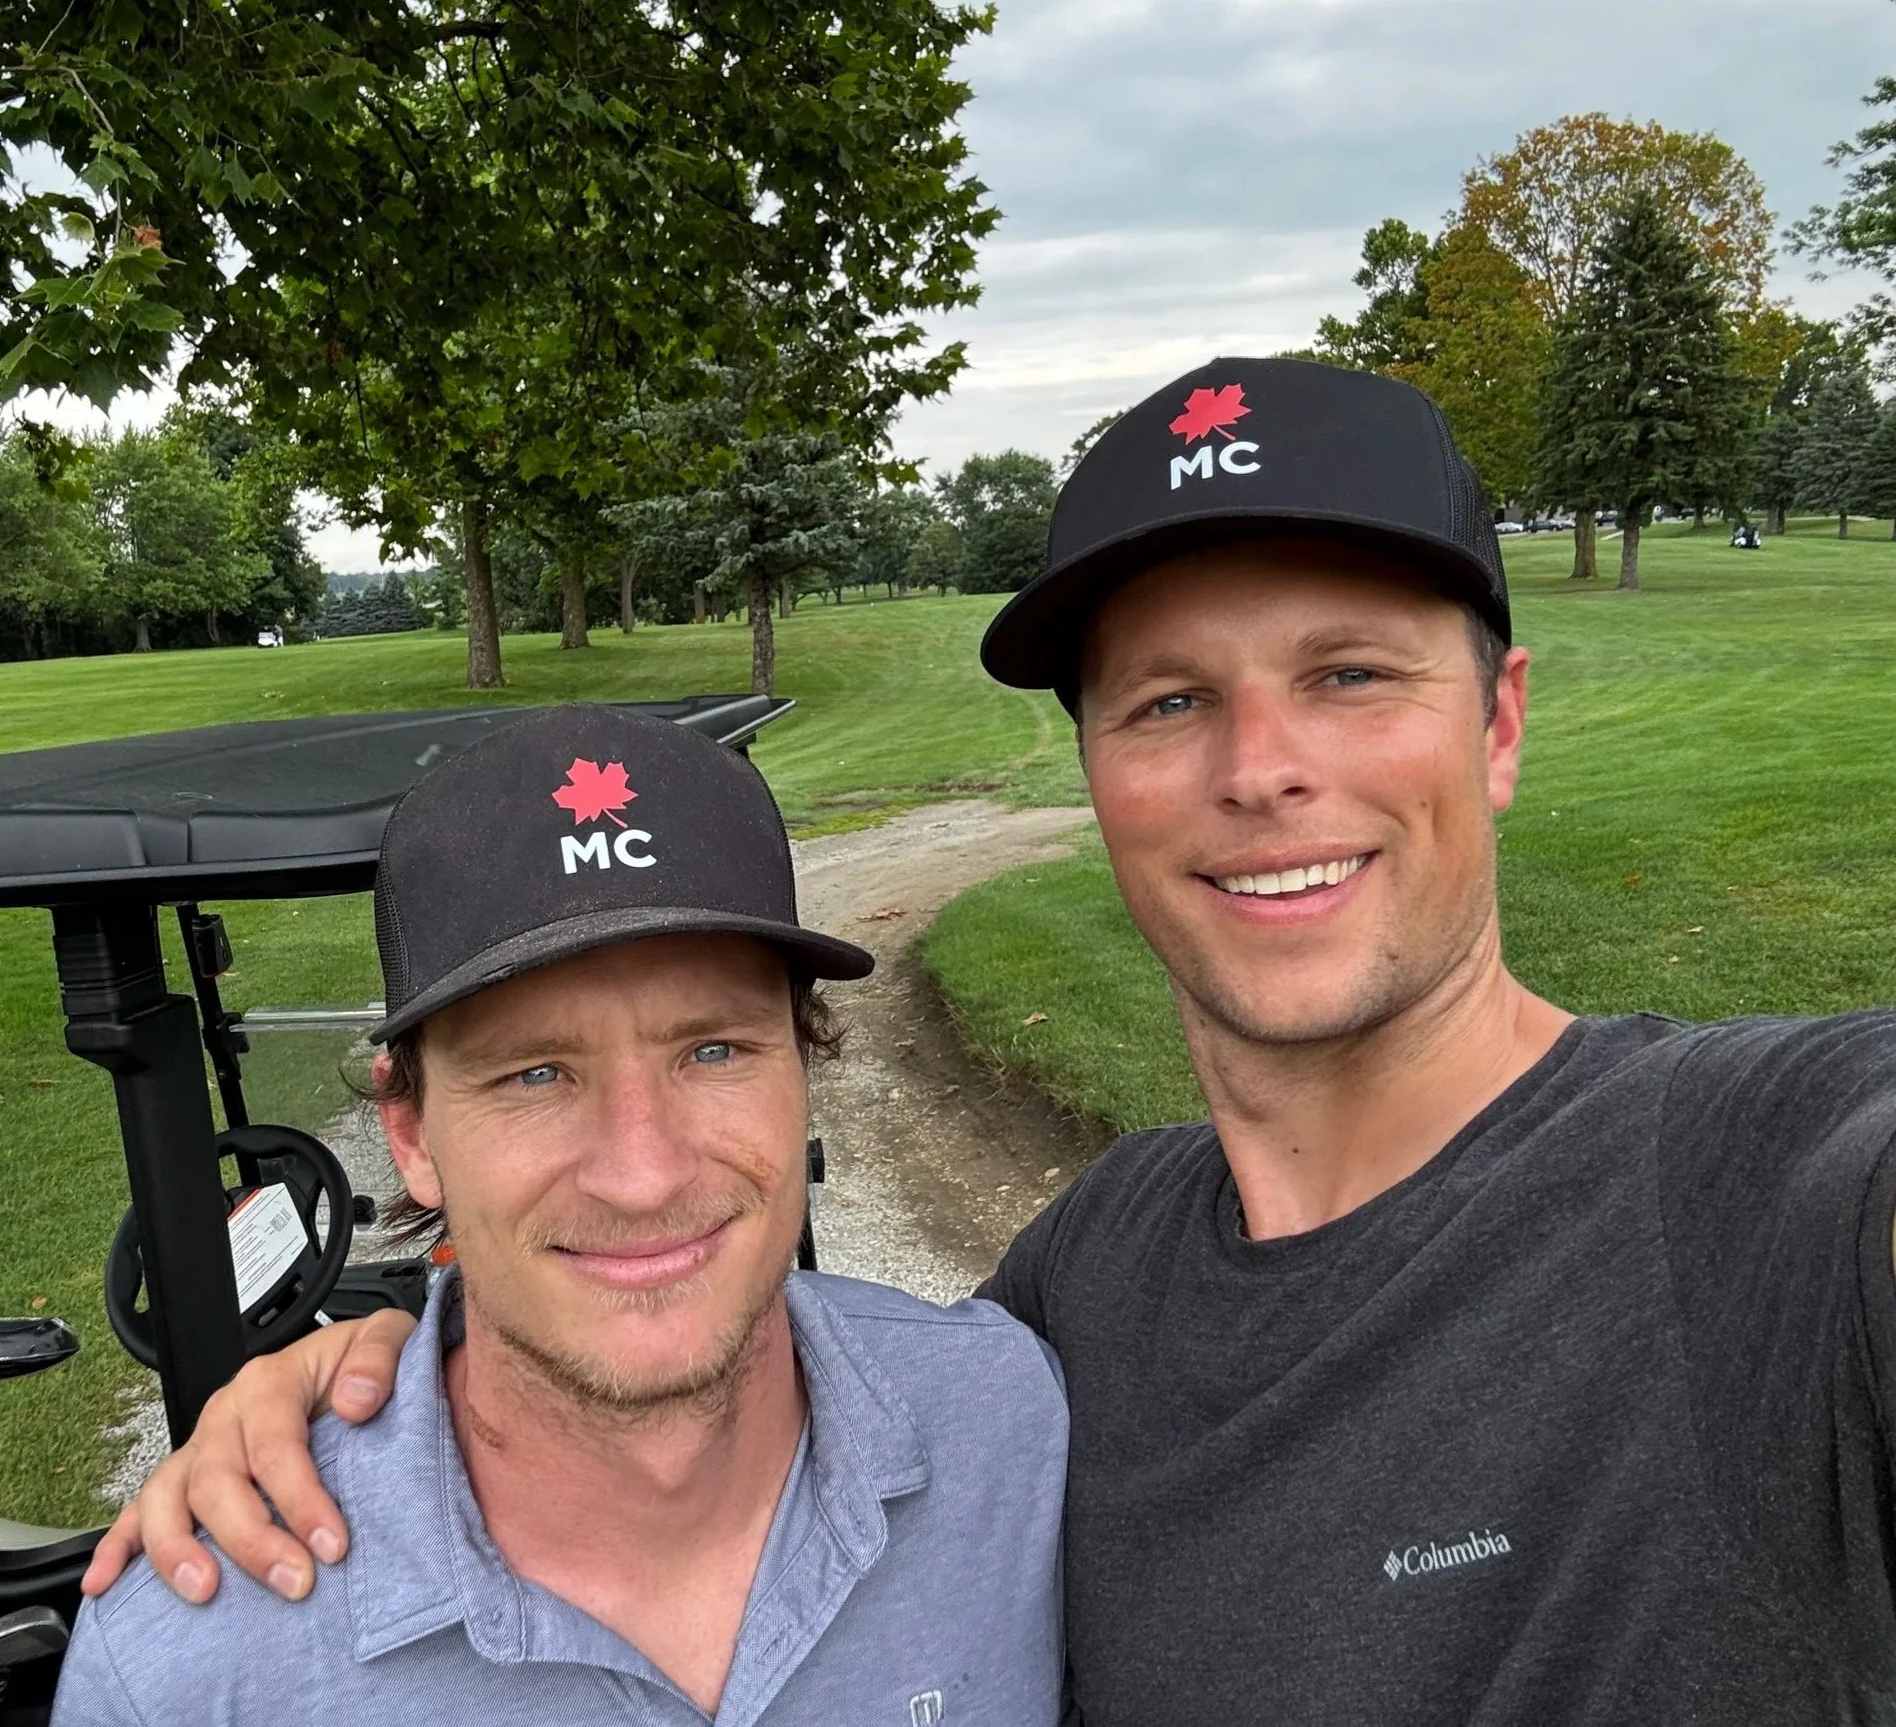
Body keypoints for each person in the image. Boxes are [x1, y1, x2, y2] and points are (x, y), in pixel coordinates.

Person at [89, 358, 1896, 1721]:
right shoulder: (1064, 1317)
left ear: (1497, 721)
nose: (1261, 765)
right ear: (1098, 771)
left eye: (1349, 671)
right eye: (1172, 697)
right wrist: (363, 1373)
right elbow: (661, 1324)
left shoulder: (1757, 1192)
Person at [57, 706, 1068, 1725]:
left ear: (803, 1068)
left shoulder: (1012, 1423)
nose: (642, 1173)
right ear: (411, 1135)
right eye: (535, 1071)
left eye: (713, 1048)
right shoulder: (181, 1666)